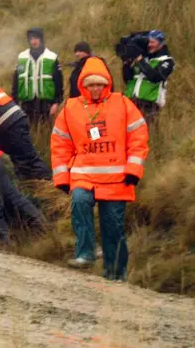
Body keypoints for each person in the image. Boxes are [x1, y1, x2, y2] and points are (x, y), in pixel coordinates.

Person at [52, 57, 149, 279]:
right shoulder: (71, 108)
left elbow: (139, 137)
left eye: (100, 84)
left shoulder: (122, 103)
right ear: (82, 86)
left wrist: (134, 170)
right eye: (91, 85)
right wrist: (62, 177)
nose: (95, 89)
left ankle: (115, 274)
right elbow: (60, 145)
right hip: (83, 174)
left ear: (107, 85)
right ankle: (85, 252)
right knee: (79, 202)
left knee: (113, 228)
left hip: (117, 179)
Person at [12, 28, 64, 124]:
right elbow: (16, 80)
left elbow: (58, 82)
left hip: (46, 103)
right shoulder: (22, 57)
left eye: (36, 38)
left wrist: (56, 102)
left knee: (44, 129)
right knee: (28, 130)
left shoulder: (51, 57)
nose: (34, 41)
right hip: (27, 102)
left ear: (41, 39)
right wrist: (14, 101)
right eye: (31, 39)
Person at [123, 30, 175, 123]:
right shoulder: (143, 59)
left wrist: (139, 59)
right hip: (131, 101)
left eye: (152, 42)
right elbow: (128, 79)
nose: (149, 45)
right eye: (148, 42)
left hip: (149, 104)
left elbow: (155, 77)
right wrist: (126, 62)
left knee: (147, 134)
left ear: (161, 43)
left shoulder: (167, 61)